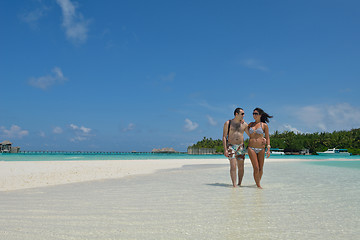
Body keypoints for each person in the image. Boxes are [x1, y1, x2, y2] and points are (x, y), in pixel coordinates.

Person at [223, 108, 250, 187]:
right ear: (236, 114)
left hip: (241, 147)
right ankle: (234, 185)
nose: (243, 115)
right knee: (233, 166)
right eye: (242, 114)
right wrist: (225, 149)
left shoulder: (244, 124)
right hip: (231, 146)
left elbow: (251, 135)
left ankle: (239, 183)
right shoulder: (228, 123)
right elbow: (224, 137)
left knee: (241, 167)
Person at [247, 107, 272, 189]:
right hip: (251, 148)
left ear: (260, 115)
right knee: (256, 167)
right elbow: (243, 129)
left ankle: (257, 182)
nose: (254, 115)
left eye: (256, 114)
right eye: (253, 113)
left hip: (261, 148)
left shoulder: (264, 125)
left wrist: (268, 149)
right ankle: (258, 185)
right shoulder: (250, 124)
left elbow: (267, 137)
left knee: (261, 168)